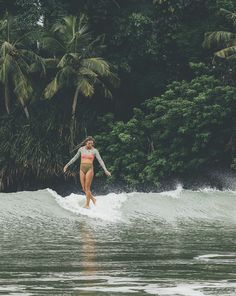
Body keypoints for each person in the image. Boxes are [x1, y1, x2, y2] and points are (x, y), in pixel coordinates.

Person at [63, 136, 111, 208]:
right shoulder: (81, 149)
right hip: (82, 169)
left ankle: (87, 204)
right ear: (86, 143)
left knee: (87, 188)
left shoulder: (95, 151)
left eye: (91, 144)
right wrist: (66, 165)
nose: (90, 145)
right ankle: (93, 199)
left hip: (90, 169)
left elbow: (100, 160)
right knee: (83, 188)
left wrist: (105, 170)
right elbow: (75, 158)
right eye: (89, 143)